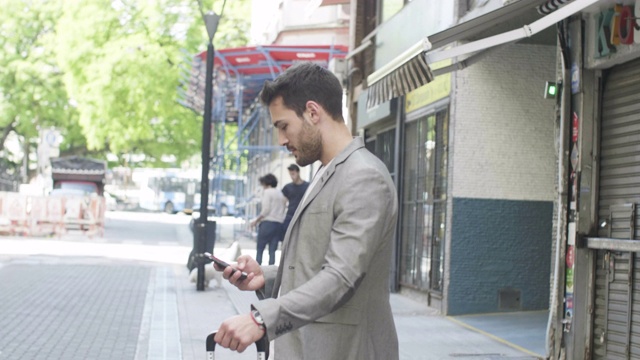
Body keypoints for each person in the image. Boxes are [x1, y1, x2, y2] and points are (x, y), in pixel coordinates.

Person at [214, 62, 399, 359]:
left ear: (313, 112)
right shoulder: (326, 172)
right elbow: (317, 265)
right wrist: (268, 276)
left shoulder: (364, 177)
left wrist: (260, 318)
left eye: (283, 126)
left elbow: (340, 278)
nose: (282, 140)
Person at [250, 173, 286, 265]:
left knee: (260, 250)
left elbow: (266, 209)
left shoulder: (267, 192)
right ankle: (271, 274)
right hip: (278, 225)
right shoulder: (281, 193)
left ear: (266, 183)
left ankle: (257, 271)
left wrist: (256, 221)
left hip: (267, 224)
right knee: (272, 252)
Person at [280, 163, 309, 236]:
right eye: (290, 174)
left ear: (298, 172)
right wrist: (281, 217)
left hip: (303, 216)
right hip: (290, 216)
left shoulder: (308, 186)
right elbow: (283, 203)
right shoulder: (287, 187)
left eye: (293, 174)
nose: (292, 176)